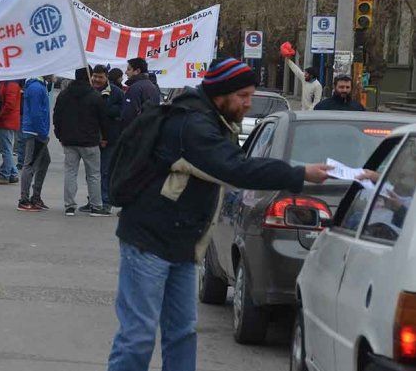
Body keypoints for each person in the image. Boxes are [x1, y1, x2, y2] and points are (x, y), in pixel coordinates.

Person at [107, 57, 332, 371]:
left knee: (182, 333)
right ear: (221, 94)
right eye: (243, 97)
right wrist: (301, 172)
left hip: (182, 246)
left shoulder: (214, 120)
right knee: (138, 336)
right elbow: (236, 168)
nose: (248, 104)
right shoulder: (192, 125)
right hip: (147, 242)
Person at [53, 66, 111, 217]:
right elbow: (103, 119)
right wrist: (105, 137)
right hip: (90, 141)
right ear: (89, 76)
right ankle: (96, 206)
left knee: (70, 172)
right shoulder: (95, 96)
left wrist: (59, 135)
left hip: (69, 140)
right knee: (94, 174)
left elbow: (57, 117)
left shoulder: (64, 95)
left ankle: (69, 206)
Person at [85, 64, 124, 213]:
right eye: (94, 76)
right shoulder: (88, 90)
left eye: (100, 77)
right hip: (90, 138)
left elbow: (122, 113)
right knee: (92, 173)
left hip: (110, 139)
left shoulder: (116, 93)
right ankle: (93, 201)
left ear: (106, 77)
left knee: (105, 171)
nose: (96, 79)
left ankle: (106, 202)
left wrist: (105, 109)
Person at [17, 76, 52, 212]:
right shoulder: (37, 88)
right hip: (35, 132)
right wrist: (42, 132)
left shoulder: (38, 86)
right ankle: (24, 199)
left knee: (44, 161)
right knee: (30, 164)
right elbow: (36, 112)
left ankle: (35, 196)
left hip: (36, 131)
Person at [0, 79, 22, 184]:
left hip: (7, 121)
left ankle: (5, 174)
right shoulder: (9, 83)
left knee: (6, 149)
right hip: (8, 120)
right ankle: (12, 173)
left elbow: (9, 104)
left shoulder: (11, 84)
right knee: (6, 149)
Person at [121, 57, 161, 126]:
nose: (126, 72)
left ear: (137, 71)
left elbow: (129, 114)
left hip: (135, 132)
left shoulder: (135, 88)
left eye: (129, 69)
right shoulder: (152, 86)